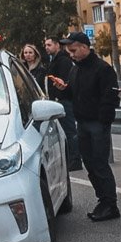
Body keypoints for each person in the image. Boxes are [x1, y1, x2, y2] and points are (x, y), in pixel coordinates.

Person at [56, 31, 120, 221]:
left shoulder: (102, 68)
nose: (71, 54)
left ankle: (110, 204)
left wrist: (103, 120)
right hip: (82, 123)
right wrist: (64, 89)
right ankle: (103, 200)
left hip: (97, 124)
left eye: (74, 50)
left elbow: (110, 98)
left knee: (100, 165)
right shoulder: (76, 69)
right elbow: (74, 94)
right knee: (90, 165)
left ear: (85, 47)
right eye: (69, 51)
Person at [43, 36, 82, 171]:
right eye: (45, 45)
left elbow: (66, 82)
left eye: (49, 45)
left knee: (69, 130)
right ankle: (71, 158)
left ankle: (75, 159)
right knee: (64, 131)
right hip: (58, 100)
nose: (46, 47)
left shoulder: (63, 61)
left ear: (57, 45)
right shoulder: (54, 60)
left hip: (64, 100)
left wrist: (60, 90)